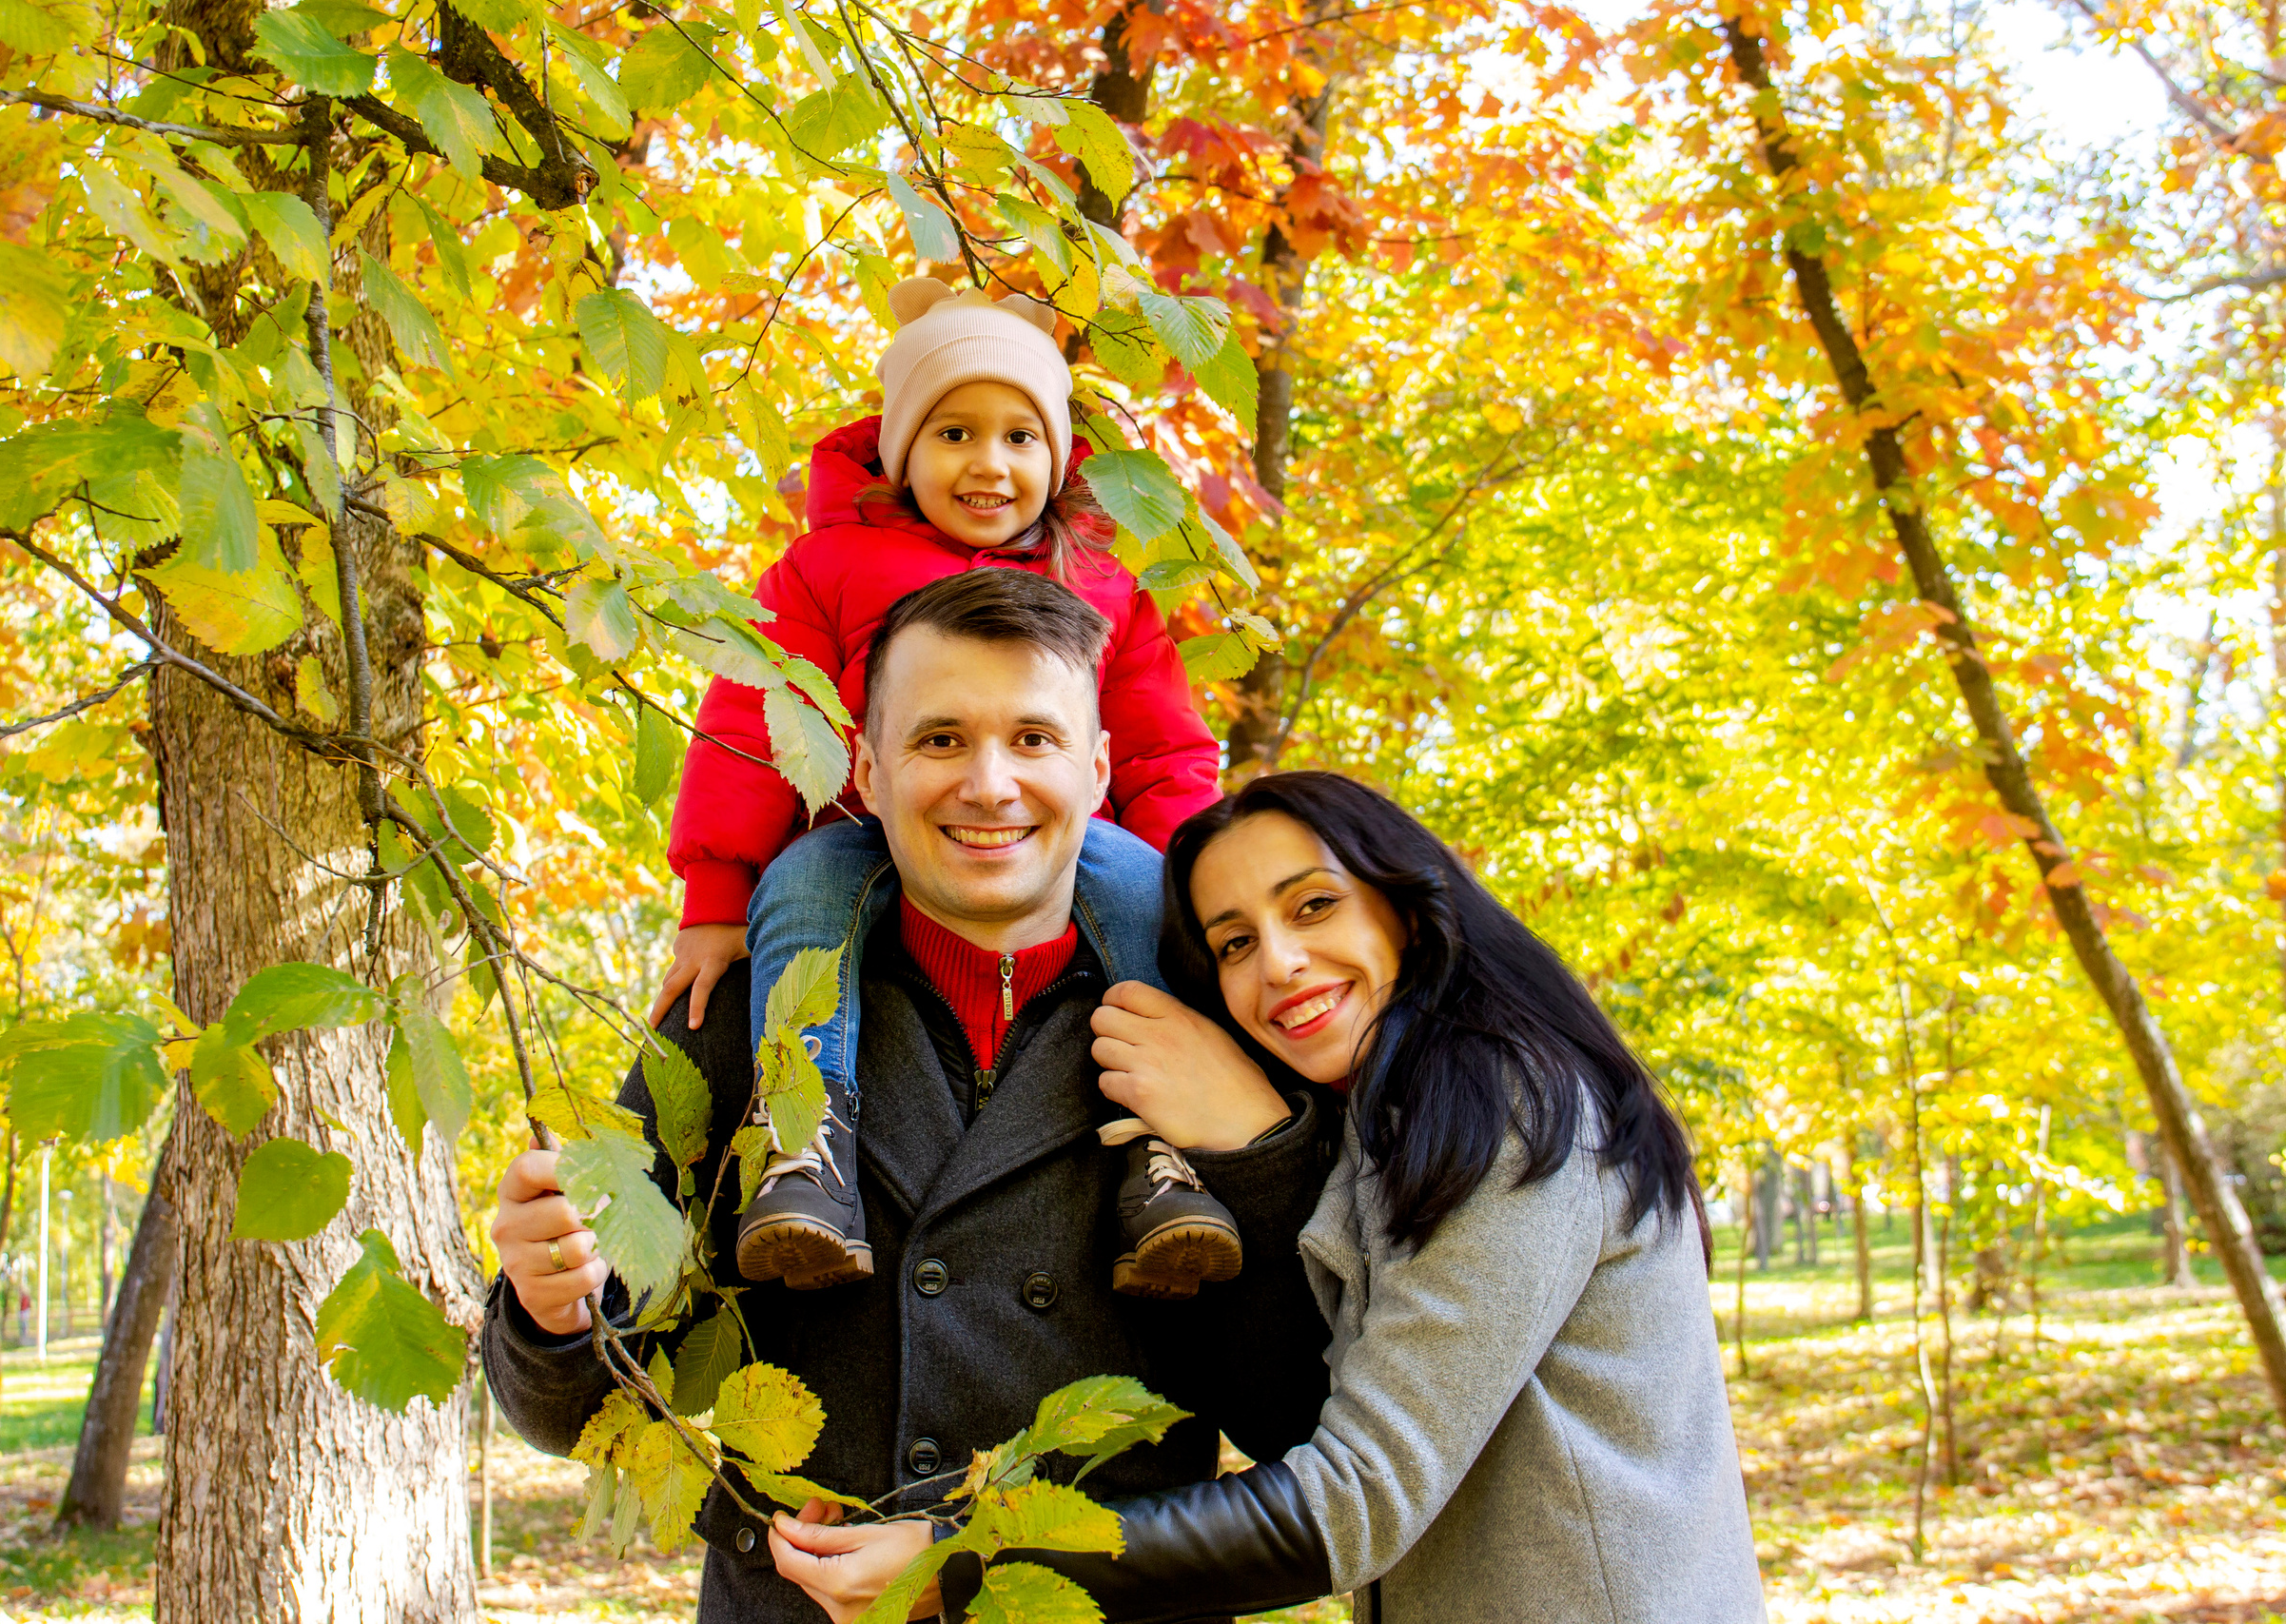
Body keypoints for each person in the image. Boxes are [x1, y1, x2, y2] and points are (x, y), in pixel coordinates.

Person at [482, 572, 1336, 1623]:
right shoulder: (749, 1018)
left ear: (1098, 769)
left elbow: (1305, 1424)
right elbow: (578, 1410)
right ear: (868, 771)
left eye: (1034, 738)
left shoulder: (1228, 1030)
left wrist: (1260, 1152)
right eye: (940, 739)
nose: (989, 784)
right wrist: (550, 1309)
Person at [772, 772, 1768, 1624]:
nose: (1280, 963)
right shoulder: (1389, 1125)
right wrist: (1254, 1147)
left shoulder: (1518, 1112)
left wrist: (963, 1559)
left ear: (1405, 905)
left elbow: (1353, 1499)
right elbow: (1302, 1414)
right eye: (1235, 943)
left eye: (1314, 905)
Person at [652, 276, 1235, 1300]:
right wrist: (714, 898)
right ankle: (803, 1140)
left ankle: (1159, 1149)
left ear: (1056, 456)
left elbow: (1160, 752)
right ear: (900, 449)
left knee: (1144, 890)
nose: (989, 462)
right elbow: (748, 724)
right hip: (862, 829)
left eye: (1020, 436)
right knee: (801, 890)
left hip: (1066, 848)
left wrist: (1206, 888)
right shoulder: (828, 566)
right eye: (954, 433)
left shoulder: (1099, 582)